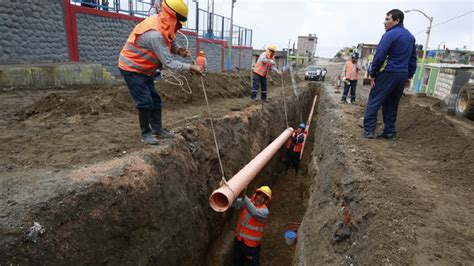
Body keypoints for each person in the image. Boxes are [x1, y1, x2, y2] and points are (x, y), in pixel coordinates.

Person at [118, 0, 203, 145]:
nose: (180, 27)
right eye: (179, 23)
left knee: (155, 99)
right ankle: (146, 133)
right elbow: (169, 63)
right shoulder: (154, 34)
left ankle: (157, 129)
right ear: (173, 18)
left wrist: (178, 50)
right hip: (132, 68)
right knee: (145, 101)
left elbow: (170, 39)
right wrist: (190, 68)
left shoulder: (163, 23)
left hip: (145, 70)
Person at [363, 9, 417, 139]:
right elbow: (413, 59)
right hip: (402, 75)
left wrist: (373, 73)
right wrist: (409, 75)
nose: (384, 22)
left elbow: (380, 55)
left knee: (374, 101)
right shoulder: (410, 37)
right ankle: (390, 132)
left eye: (388, 19)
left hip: (388, 73)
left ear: (397, 20)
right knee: (392, 104)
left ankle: (369, 131)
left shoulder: (389, 35)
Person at [233, 186, 272, 266]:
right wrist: (232, 193)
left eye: (263, 197)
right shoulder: (248, 201)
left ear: (266, 201)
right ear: (256, 194)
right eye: (259, 195)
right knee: (237, 261)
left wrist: (244, 197)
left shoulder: (264, 211)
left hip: (251, 246)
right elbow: (234, 204)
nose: (260, 198)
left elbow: (254, 212)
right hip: (239, 239)